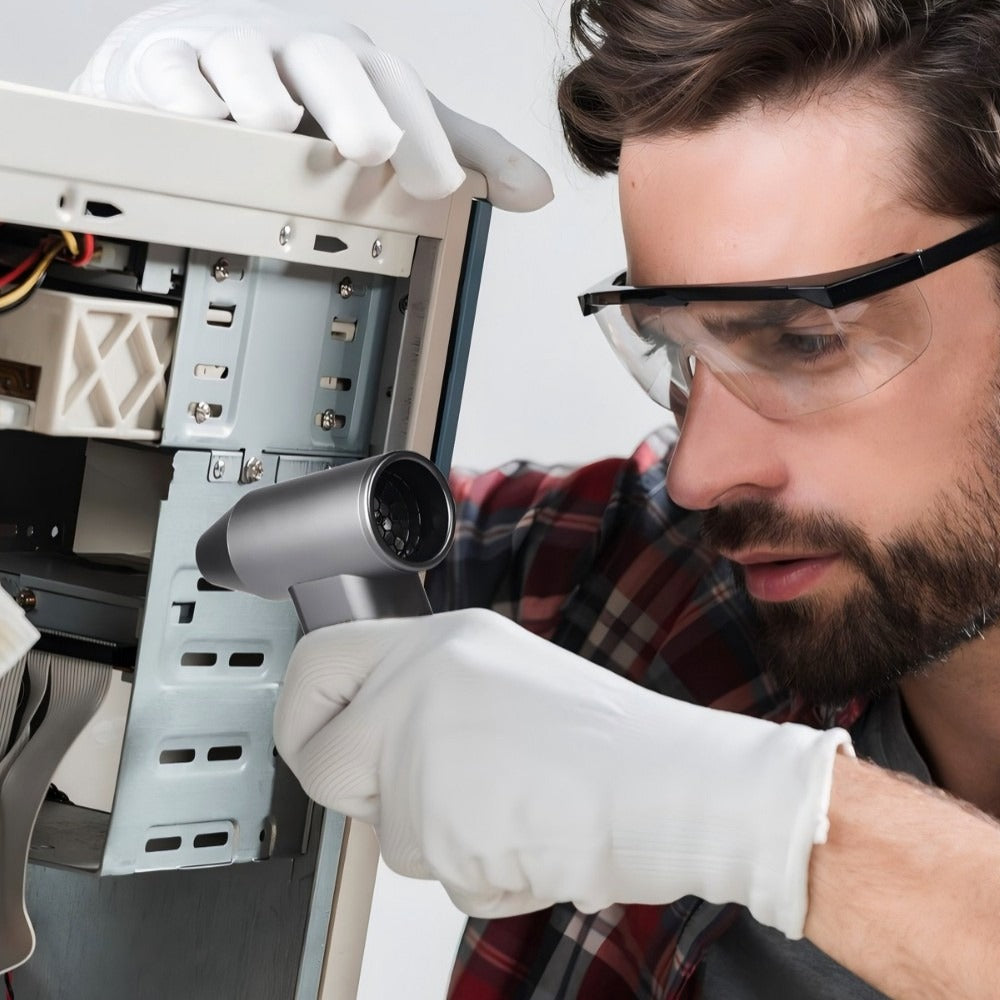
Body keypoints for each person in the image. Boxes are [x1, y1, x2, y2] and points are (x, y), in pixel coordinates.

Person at [60, 2, 1000, 997]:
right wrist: (113, 224)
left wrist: (768, 824)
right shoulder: (643, 579)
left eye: (803, 342)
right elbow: (166, 567)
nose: (701, 471)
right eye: (678, 350)